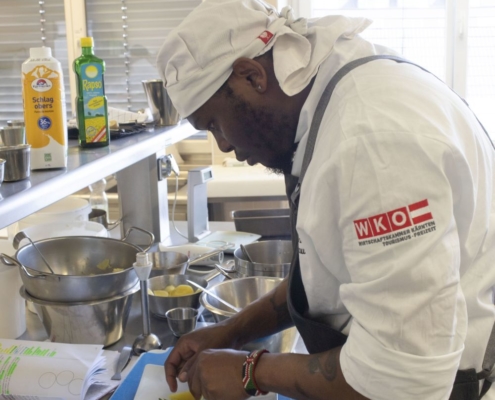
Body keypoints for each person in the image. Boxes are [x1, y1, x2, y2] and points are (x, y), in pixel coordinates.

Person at [156, 1, 495, 399]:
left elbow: (402, 378)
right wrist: (231, 331)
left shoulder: (371, 142)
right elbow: (330, 273)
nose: (224, 145)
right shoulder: (332, 97)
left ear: (252, 75)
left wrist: (251, 372)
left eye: (215, 124)